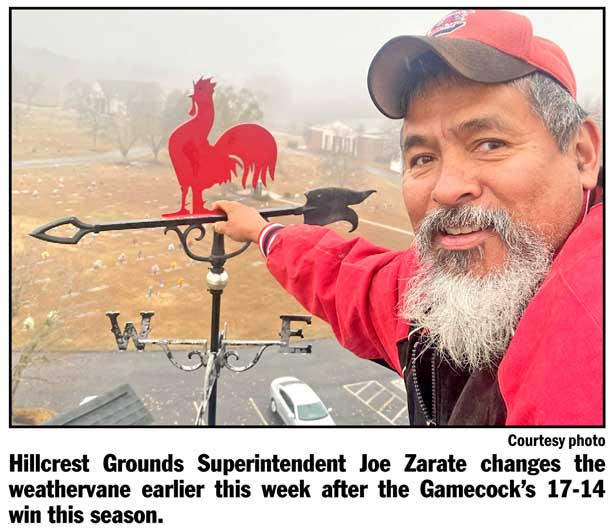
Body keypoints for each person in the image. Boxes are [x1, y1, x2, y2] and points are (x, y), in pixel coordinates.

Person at [213, 10, 603, 426]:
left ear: (582, 155)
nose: (446, 188)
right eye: (423, 158)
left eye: (489, 143)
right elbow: (355, 284)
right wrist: (263, 231)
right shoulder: (441, 293)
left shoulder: (591, 322)